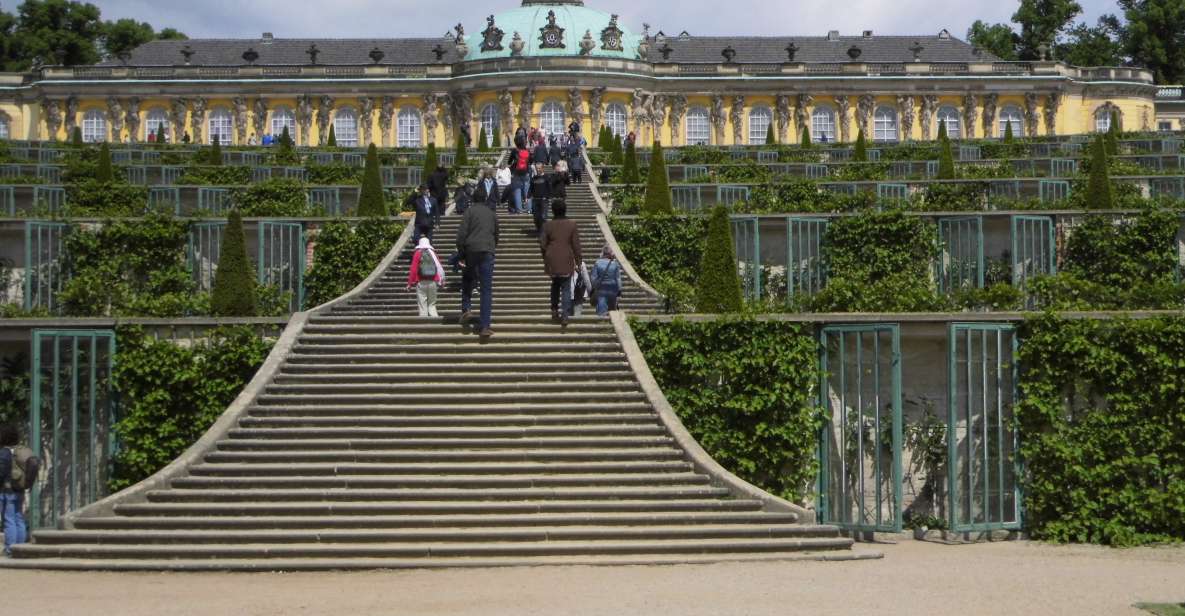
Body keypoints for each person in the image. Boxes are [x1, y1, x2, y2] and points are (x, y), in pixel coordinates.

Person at [456, 183, 500, 338]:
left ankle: (466, 308)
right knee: (486, 289)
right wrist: (492, 247)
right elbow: (496, 234)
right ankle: (485, 326)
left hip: (471, 250)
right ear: (486, 198)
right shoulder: (491, 213)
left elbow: (461, 234)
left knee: (468, 278)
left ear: (473, 199)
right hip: (487, 250)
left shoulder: (469, 212)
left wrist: (461, 254)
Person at [539, 199, 582, 326]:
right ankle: (565, 315)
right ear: (565, 210)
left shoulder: (547, 225)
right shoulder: (571, 225)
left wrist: (545, 257)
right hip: (566, 259)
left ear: (553, 211)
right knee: (566, 288)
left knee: (555, 284)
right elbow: (576, 246)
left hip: (552, 258)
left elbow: (542, 244)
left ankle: (554, 309)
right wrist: (579, 261)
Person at [0, 423, 34, 557]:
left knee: (9, 520)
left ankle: (10, 549)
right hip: (19, 490)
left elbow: (1, 472)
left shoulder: (4, 452)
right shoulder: (20, 451)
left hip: (6, 491)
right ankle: (21, 548)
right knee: (18, 518)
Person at [407, 237, 444, 318]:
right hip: (433, 281)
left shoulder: (417, 253)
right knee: (432, 303)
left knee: (422, 303)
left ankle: (423, 321)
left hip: (421, 281)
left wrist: (410, 283)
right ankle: (435, 320)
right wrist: (441, 281)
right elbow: (439, 267)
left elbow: (413, 269)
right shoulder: (433, 253)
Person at [591, 245, 623, 316]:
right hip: (613, 289)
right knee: (612, 310)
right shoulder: (615, 264)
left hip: (601, 289)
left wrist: (594, 288)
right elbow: (618, 278)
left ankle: (601, 322)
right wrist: (620, 290)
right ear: (610, 254)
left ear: (603, 253)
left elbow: (593, 278)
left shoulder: (597, 263)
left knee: (601, 309)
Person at [507, 140, 532, 214]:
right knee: (527, 191)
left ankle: (519, 210)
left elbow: (509, 161)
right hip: (526, 173)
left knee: (517, 191)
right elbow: (531, 161)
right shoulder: (527, 151)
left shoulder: (514, 151)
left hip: (516, 173)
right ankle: (529, 209)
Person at [528, 162, 552, 233]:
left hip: (543, 200)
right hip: (535, 200)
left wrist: (547, 196)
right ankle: (539, 229)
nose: (538, 169)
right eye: (537, 168)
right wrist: (528, 196)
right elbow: (531, 188)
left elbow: (549, 188)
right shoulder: (533, 178)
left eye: (539, 168)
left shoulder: (547, 177)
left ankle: (543, 232)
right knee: (536, 217)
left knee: (543, 216)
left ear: (542, 168)